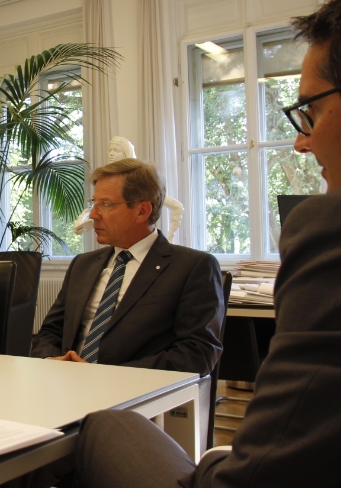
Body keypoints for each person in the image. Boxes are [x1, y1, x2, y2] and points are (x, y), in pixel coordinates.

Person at [75, 0, 341, 488]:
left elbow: (269, 473)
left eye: (310, 112)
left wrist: (211, 462)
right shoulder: (85, 266)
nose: (301, 143)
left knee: (107, 427)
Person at [32, 158, 224, 376]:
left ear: (142, 211)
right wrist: (51, 360)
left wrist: (107, 375)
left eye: (106, 204)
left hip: (137, 391)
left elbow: (197, 354)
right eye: (94, 202)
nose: (93, 215)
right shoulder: (83, 265)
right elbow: (50, 332)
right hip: (68, 383)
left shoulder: (192, 268)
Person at [74, 136, 185, 241]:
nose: (111, 153)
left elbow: (177, 206)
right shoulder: (107, 180)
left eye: (116, 150)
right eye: (110, 150)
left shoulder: (141, 178)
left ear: (142, 211)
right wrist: (83, 220)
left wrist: (170, 237)